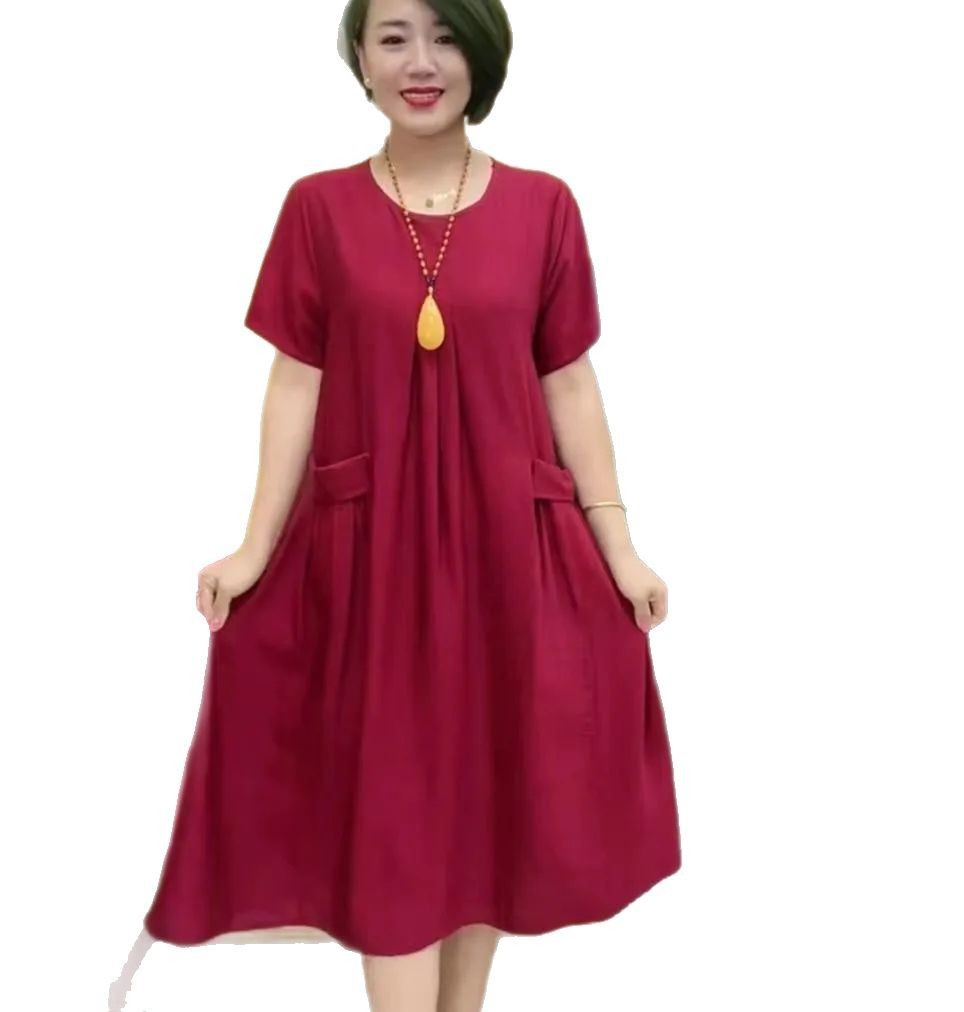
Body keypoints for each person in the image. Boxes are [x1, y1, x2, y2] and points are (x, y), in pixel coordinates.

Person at [109, 1, 682, 1009]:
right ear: (361, 60)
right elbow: (297, 380)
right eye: (393, 38)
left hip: (512, 548)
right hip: (372, 555)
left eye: (446, 36)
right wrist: (253, 546)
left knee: (489, 809)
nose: (422, 62)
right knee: (398, 821)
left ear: (483, 54)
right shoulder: (318, 207)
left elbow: (568, 379)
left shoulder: (545, 204)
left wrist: (618, 543)